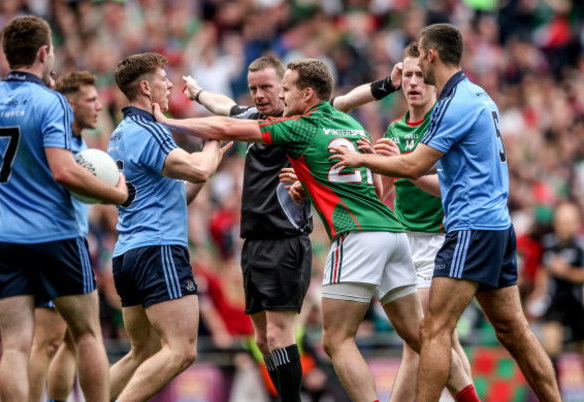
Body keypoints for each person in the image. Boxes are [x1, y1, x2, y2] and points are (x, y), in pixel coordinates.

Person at [154, 58, 476, 402]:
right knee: (422, 337)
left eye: (286, 88)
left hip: (355, 235)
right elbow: (371, 189)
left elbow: (228, 127)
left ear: (307, 94)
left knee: (336, 341)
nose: (280, 93)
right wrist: (308, 186)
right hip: (393, 232)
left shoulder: (299, 127)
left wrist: (171, 122)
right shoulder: (350, 125)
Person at [329, 23, 561, 401]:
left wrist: (360, 157)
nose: (415, 68)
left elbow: (414, 167)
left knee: (433, 330)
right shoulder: (479, 95)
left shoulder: (454, 105)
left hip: (469, 229)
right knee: (512, 330)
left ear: (431, 55)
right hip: (494, 226)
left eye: (420, 56)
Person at [0, 15, 128, 402]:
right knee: (87, 334)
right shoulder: (51, 102)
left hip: (3, 239)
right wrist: (118, 195)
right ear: (44, 53)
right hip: (55, 236)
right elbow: (62, 170)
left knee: (16, 348)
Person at [331, 41, 472, 400]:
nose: (412, 82)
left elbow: (448, 188)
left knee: (420, 337)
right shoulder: (394, 131)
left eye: (418, 75)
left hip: (439, 242)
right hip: (404, 241)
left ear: (432, 78)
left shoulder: (444, 123)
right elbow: (382, 193)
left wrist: (407, 166)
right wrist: (372, 160)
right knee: (442, 337)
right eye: (406, 75)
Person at [183, 56, 314, 401]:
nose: (258, 94)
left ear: (285, 90)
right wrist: (197, 94)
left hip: (285, 241)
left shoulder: (298, 122)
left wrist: (164, 121)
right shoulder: (253, 118)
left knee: (278, 337)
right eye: (253, 88)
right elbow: (226, 106)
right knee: (261, 341)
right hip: (254, 243)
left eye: (267, 87)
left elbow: (223, 123)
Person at [106, 52, 231, 402]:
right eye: (163, 78)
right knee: (181, 350)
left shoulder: (121, 133)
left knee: (141, 353)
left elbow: (179, 195)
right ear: (145, 87)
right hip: (157, 250)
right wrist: (214, 135)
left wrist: (211, 158)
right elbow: (199, 169)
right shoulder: (150, 129)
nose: (170, 84)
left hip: (128, 255)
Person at [28, 70, 104, 402]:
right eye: (91, 100)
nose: (99, 106)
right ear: (70, 104)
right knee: (48, 340)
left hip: (70, 241)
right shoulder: (53, 135)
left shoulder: (77, 140)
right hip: (55, 241)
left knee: (71, 338)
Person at [535, 202, 584, 387]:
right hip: (555, 304)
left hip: (577, 303)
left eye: (569, 222)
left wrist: (566, 272)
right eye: (562, 222)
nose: (565, 226)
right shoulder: (548, 244)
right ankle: (555, 392)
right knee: (550, 348)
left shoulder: (580, 246)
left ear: (576, 223)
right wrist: (538, 292)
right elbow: (542, 271)